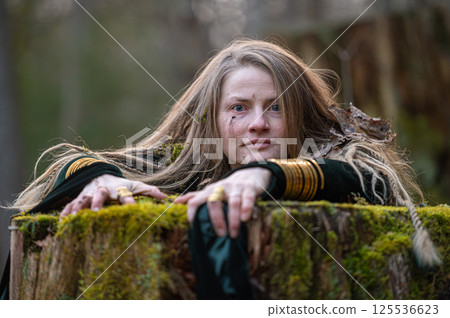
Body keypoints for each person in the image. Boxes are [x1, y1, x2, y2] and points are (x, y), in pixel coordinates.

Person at [2, 39, 441, 299]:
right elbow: (77, 164)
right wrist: (104, 181)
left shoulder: (341, 155)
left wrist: (266, 175)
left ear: (301, 114)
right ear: (211, 120)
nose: (257, 123)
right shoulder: (189, 161)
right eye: (238, 108)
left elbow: (370, 178)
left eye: (276, 107)